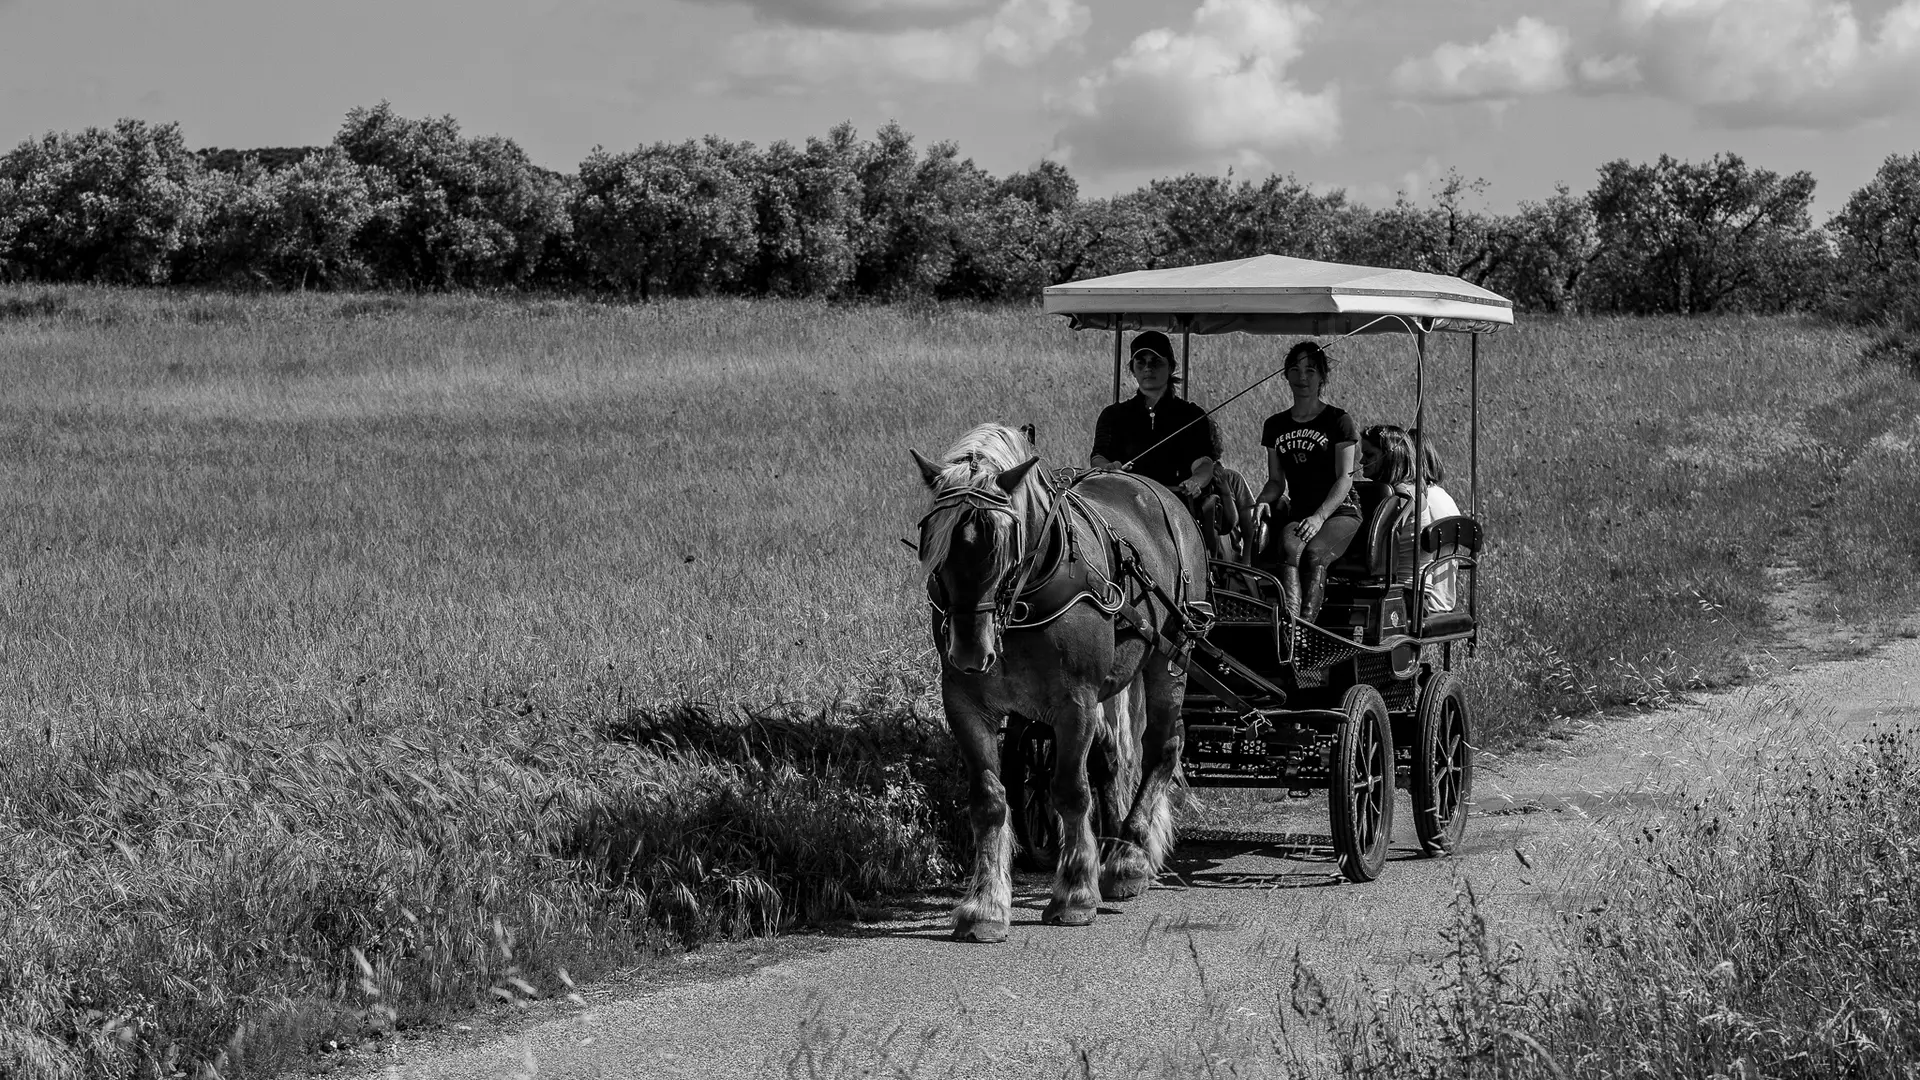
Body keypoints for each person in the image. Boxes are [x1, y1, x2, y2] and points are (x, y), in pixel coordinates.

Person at [1249, 341, 1360, 624]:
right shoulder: (1275, 425)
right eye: (1295, 370)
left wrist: (1320, 516)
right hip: (1300, 512)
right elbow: (1276, 481)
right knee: (1288, 549)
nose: (1302, 378)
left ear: (1322, 376)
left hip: (1339, 512)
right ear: (1285, 375)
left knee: (1313, 555)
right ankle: (1289, 629)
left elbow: (1345, 478)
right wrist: (1263, 499)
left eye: (1310, 370)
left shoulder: (1338, 421)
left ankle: (1306, 632)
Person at [1090, 331, 1221, 507]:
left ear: (1171, 367)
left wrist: (1195, 481)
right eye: (1141, 362)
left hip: (1178, 502)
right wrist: (1109, 468)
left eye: (1156, 362)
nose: (1147, 368)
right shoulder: (1113, 415)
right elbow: (1099, 457)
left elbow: (1204, 463)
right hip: (1125, 503)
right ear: (1132, 370)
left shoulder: (1191, 415)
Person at [1360, 424, 1460, 612]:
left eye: (1369, 455)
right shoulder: (1410, 489)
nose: (1361, 461)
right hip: (1413, 592)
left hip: (1406, 595)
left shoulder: (1403, 495)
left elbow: (1381, 542)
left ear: (1389, 456)